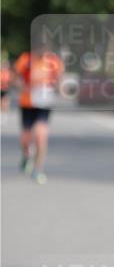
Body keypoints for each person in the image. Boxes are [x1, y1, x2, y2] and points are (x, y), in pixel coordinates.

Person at [14, 45, 64, 184]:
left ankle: (38, 169)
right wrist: (23, 86)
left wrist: (58, 88)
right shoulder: (26, 59)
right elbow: (16, 78)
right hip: (27, 103)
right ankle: (26, 156)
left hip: (44, 104)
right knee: (25, 138)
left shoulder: (53, 61)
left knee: (41, 135)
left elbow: (59, 79)